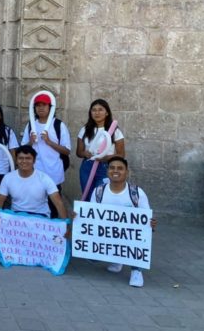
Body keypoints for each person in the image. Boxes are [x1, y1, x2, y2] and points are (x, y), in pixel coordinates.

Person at [91, 156, 156, 288]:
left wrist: (151, 224)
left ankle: (136, 270)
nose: (116, 171)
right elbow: (91, 215)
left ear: (126, 172)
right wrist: (79, 217)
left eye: (120, 168)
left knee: (139, 237)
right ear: (107, 171)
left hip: (129, 237)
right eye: (112, 168)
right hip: (107, 233)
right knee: (92, 257)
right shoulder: (99, 191)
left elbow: (146, 219)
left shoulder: (137, 193)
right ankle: (117, 259)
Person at [21, 94, 71, 218]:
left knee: (53, 207)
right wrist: (30, 143)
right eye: (38, 105)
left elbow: (67, 151)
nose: (41, 108)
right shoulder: (31, 125)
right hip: (34, 173)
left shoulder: (59, 125)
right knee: (34, 205)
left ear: (50, 107)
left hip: (54, 173)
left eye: (44, 105)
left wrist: (49, 142)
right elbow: (22, 150)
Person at [0, 145, 68, 220]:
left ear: (34, 160)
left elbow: (58, 203)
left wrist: (66, 223)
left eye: (28, 158)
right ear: (16, 160)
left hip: (40, 217)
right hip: (16, 217)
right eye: (21, 158)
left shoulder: (44, 178)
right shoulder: (8, 178)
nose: (24, 161)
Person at [76, 99, 125, 200]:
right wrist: (85, 153)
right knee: (87, 195)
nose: (97, 113)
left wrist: (106, 157)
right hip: (87, 166)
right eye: (94, 110)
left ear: (107, 112)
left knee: (101, 196)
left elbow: (121, 154)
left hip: (105, 167)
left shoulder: (115, 131)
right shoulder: (85, 129)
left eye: (100, 110)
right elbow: (79, 152)